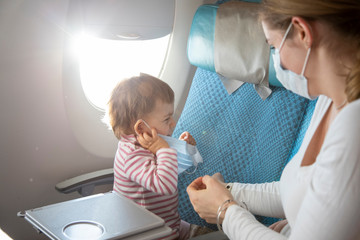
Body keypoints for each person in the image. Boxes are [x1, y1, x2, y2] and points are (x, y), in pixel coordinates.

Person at [187, 0, 360, 239]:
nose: (275, 62)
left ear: (301, 32)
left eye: (273, 47)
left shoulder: (354, 128)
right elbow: (297, 188)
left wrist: (224, 211)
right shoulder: (329, 100)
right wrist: (228, 191)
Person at [106, 73, 210, 240]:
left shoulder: (149, 143)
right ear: (141, 128)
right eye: (166, 118)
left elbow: (169, 169)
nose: (173, 123)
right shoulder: (131, 156)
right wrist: (164, 150)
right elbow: (165, 185)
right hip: (149, 233)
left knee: (211, 233)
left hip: (168, 223)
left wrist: (185, 148)